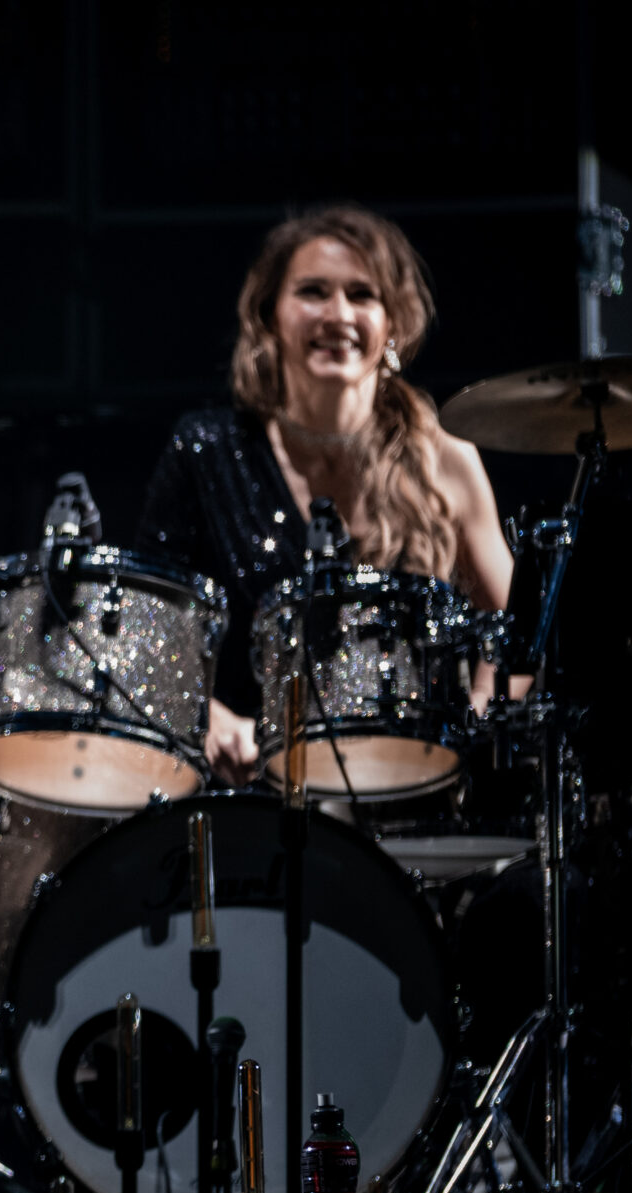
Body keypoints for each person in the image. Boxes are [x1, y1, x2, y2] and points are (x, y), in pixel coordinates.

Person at [135, 203, 516, 784]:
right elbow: (150, 631)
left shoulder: (445, 458)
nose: (338, 314)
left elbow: (517, 632)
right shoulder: (205, 448)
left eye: (362, 295)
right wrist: (202, 715)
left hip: (416, 800)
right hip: (249, 800)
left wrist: (477, 722)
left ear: (394, 325)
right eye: (313, 291)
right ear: (269, 318)